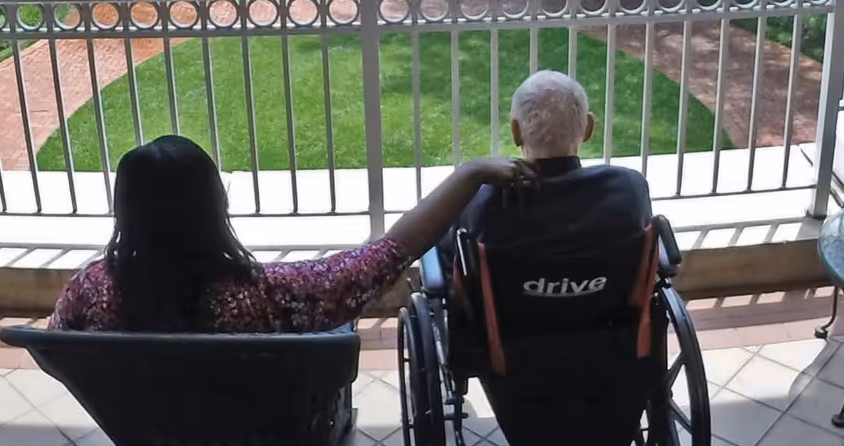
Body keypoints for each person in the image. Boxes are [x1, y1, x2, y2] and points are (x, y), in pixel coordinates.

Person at [49, 134, 530, 332]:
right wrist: (470, 173)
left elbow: (57, 352)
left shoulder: (89, 293)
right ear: (216, 206)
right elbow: (390, 253)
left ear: (125, 211)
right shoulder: (268, 295)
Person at [455, 70, 652, 250]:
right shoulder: (630, 189)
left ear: (515, 132)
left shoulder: (483, 202)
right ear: (588, 128)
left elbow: (450, 260)